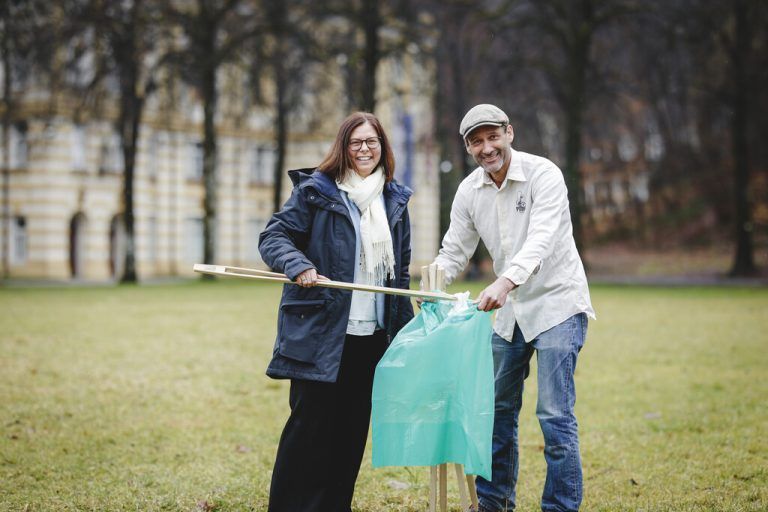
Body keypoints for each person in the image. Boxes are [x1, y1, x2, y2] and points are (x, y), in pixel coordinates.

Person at [431, 104, 595, 512]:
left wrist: (505, 281)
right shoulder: (469, 190)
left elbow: (541, 239)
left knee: (554, 414)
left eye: (492, 136)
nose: (487, 148)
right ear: (468, 147)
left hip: (557, 303)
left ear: (509, 132)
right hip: (509, 315)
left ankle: (560, 506)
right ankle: (494, 502)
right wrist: (433, 282)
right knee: (496, 411)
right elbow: (455, 249)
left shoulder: (544, 174)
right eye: (476, 141)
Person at [258, 112, 414, 512]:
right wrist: (299, 265)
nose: (364, 149)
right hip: (322, 336)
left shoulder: (394, 200)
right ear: (343, 148)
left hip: (370, 340)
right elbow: (274, 236)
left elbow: (401, 273)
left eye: (372, 142)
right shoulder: (317, 191)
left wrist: (408, 330)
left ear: (383, 148)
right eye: (356, 142)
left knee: (349, 436)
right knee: (308, 436)